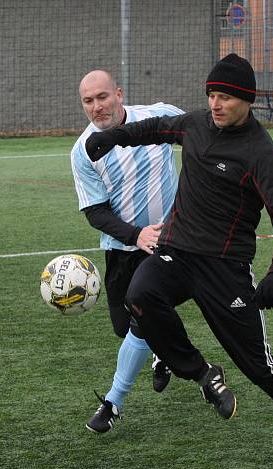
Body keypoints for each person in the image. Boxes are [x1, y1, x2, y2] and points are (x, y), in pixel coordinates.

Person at [85, 54, 273, 469]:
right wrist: (116, 137)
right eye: (212, 95)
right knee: (139, 296)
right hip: (177, 252)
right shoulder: (197, 124)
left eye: (225, 97)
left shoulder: (259, 153)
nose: (216, 104)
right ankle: (201, 372)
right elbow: (155, 129)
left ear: (246, 101)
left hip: (225, 269)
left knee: (258, 366)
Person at [71, 70, 181, 434]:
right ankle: (162, 353)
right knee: (125, 327)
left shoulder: (156, 115)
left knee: (143, 316)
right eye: (89, 101)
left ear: (118, 94)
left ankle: (112, 403)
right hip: (123, 247)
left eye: (102, 97)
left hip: (169, 244)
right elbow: (95, 211)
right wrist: (136, 235)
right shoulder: (83, 150)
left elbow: (197, 132)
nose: (97, 107)